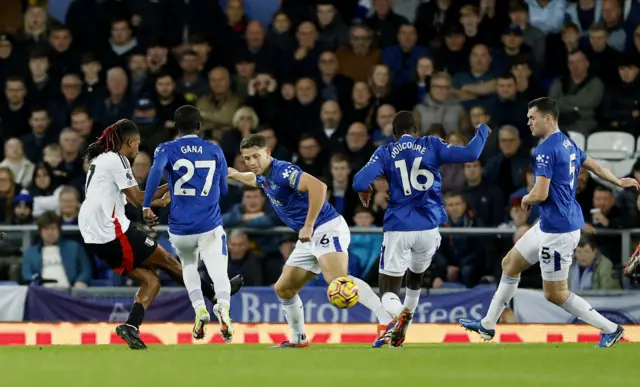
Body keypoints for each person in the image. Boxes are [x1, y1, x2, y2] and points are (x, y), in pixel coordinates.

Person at [460, 97, 638, 348]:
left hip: (559, 231)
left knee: (555, 294)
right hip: (549, 224)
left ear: (547, 118)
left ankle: (611, 328)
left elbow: (541, 193)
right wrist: (618, 180)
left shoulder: (545, 150)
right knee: (510, 264)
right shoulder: (566, 142)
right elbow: (593, 165)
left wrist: (526, 198)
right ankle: (488, 324)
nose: (528, 122)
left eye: (532, 117)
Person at [78, 119, 243, 350]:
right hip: (112, 232)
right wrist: (171, 187)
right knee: (167, 261)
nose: (138, 150)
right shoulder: (118, 160)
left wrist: (160, 198)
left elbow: (134, 197)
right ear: (131, 141)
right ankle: (214, 295)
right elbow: (138, 199)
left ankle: (131, 327)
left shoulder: (101, 159)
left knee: (151, 280)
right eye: (138, 145)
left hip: (95, 235)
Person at [227, 134, 394, 348]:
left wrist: (308, 224)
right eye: (246, 158)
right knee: (284, 288)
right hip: (308, 237)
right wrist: (236, 174)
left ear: (267, 153)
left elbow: (319, 187)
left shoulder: (284, 171)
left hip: (325, 226)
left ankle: (386, 319)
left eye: (255, 156)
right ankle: (298, 338)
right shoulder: (262, 174)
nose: (251, 162)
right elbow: (253, 179)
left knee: (338, 280)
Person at [352, 111, 490, 347]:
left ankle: (399, 315)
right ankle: (402, 329)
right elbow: (472, 152)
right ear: (416, 130)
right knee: (415, 280)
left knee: (388, 291)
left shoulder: (385, 152)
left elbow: (358, 182)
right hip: (429, 229)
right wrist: (483, 131)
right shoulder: (431, 144)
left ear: (394, 134)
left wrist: (366, 189)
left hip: (399, 228)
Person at [142, 105, 234, 343]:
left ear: (175, 127)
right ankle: (222, 306)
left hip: (180, 228)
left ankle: (199, 309)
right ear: (200, 126)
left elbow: (155, 172)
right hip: (209, 224)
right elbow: (224, 189)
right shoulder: (214, 149)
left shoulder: (166, 148)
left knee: (189, 264)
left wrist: (145, 205)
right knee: (218, 270)